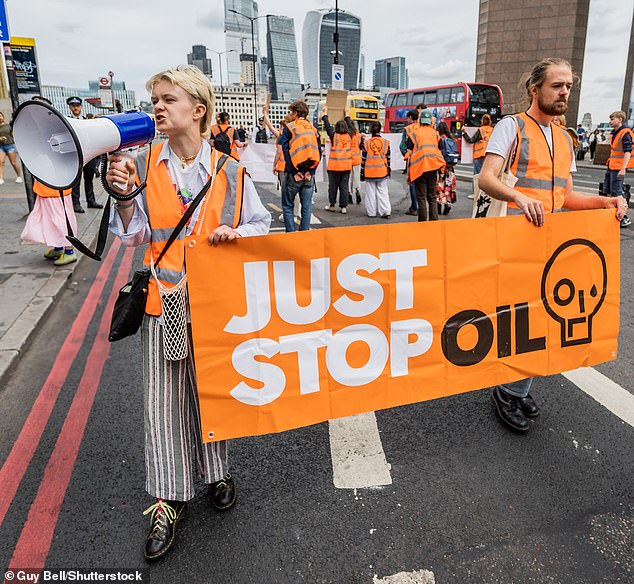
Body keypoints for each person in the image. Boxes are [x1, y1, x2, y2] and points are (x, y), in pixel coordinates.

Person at [105, 64, 271, 561]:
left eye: (168, 99)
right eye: (154, 98)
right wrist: (122, 197)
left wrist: (238, 234)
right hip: (164, 305)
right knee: (163, 405)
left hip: (217, 309)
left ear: (197, 111)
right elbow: (132, 234)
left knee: (213, 396)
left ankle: (216, 473)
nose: (157, 106)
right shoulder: (142, 162)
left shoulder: (233, 171)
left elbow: (260, 226)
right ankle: (166, 500)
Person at [478, 57, 628, 433]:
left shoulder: (565, 138)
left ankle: (516, 386)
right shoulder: (510, 127)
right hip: (512, 241)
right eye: (557, 86)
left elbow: (566, 198)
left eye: (568, 87)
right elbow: (486, 178)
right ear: (535, 88)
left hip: (550, 245)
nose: (564, 93)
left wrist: (605, 202)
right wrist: (518, 198)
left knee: (542, 320)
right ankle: (509, 389)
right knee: (522, 320)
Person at [279, 99, 321, 231]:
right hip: (309, 175)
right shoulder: (314, 130)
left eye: (292, 113)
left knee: (287, 206)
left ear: (296, 113)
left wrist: (294, 172)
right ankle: (304, 236)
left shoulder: (290, 127)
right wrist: (311, 172)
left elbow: (285, 151)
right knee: (306, 208)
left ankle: (292, 237)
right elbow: (317, 151)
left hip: (293, 173)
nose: (291, 115)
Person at [402, 108, 445, 222]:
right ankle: (434, 221)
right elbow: (440, 148)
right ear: (430, 121)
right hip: (433, 167)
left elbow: (409, 149)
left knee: (421, 197)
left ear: (420, 121)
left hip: (419, 168)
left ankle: (422, 223)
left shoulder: (414, 134)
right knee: (432, 197)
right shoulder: (435, 134)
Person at [21, 181, 77, 266]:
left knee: (59, 219)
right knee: (50, 220)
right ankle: (58, 247)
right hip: (48, 187)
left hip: (56, 187)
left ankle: (69, 251)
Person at [67, 97, 102, 213]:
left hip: (89, 154)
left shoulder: (87, 120)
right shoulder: (67, 121)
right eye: (73, 105)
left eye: (77, 105)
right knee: (76, 181)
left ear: (81, 107)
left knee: (89, 179)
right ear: (70, 107)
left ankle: (91, 201)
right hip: (76, 155)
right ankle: (76, 203)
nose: (75, 107)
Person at [604, 110, 632, 228]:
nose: (610, 122)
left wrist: (623, 168)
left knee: (617, 192)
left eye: (612, 119)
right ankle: (614, 214)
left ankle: (623, 217)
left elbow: (628, 152)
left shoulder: (625, 133)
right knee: (609, 191)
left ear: (620, 120)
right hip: (612, 165)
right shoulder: (615, 133)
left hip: (618, 167)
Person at [322, 106, 352, 214]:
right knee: (344, 187)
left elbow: (327, 126)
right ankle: (343, 207)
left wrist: (325, 113)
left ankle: (332, 205)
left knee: (333, 187)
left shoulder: (334, 136)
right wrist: (347, 114)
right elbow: (350, 125)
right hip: (346, 166)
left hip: (334, 167)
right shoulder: (349, 136)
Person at [361, 121, 391, 218]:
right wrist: (388, 170)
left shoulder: (366, 143)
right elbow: (388, 158)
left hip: (369, 172)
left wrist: (362, 173)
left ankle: (371, 212)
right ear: (380, 129)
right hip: (382, 170)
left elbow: (363, 160)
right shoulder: (386, 143)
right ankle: (385, 211)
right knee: (383, 192)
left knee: (370, 193)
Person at [400, 109, 420, 216]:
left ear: (411, 118)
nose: (407, 120)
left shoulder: (408, 129)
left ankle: (414, 207)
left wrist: (405, 155)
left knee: (412, 183)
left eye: (408, 118)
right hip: (423, 158)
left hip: (412, 158)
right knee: (421, 183)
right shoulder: (424, 127)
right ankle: (421, 206)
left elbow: (403, 146)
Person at [436, 121, 458, 216]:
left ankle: (439, 205)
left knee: (440, 187)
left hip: (441, 167)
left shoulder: (440, 139)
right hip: (450, 168)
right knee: (448, 187)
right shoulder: (452, 139)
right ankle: (448, 203)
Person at [462, 113, 493, 177]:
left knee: (477, 176)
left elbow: (471, 140)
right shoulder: (493, 130)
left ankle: (476, 187)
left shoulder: (481, 130)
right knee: (486, 175)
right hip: (489, 156)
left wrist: (464, 133)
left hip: (479, 156)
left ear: (482, 121)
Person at [0, 111, 22, 185]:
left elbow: (13, 134)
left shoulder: (8, 125)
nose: (0, 118)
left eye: (1, 116)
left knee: (13, 163)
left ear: (3, 117)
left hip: (10, 145)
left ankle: (19, 176)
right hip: (1, 146)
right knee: (1, 162)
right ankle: (1, 178)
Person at [349, 123, 363, 205]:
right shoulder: (358, 135)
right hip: (357, 159)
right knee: (356, 177)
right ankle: (357, 190)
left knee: (349, 178)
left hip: (348, 159)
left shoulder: (346, 136)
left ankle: (349, 194)